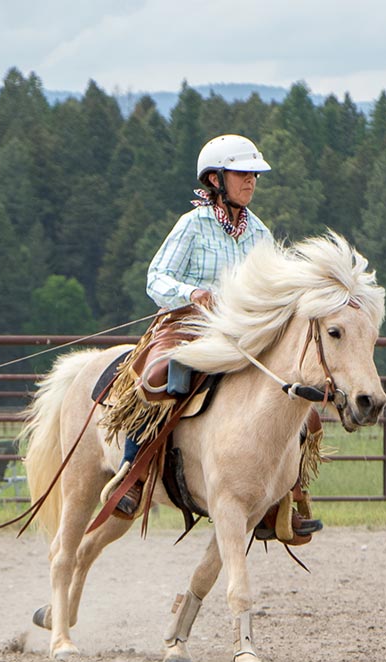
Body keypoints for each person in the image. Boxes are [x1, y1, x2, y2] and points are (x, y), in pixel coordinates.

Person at [108, 134, 322, 544]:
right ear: (216, 179)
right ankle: (131, 473)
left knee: (301, 405)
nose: (251, 182)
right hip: (187, 324)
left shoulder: (260, 233)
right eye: (243, 173)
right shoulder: (192, 225)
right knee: (157, 378)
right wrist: (191, 293)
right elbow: (156, 277)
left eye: (254, 175)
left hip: (244, 334)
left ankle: (285, 498)